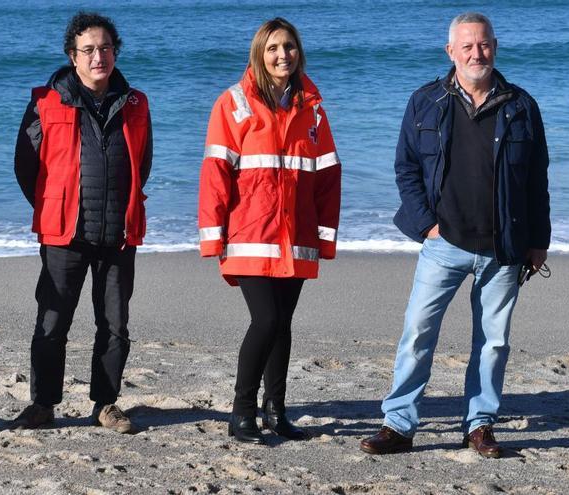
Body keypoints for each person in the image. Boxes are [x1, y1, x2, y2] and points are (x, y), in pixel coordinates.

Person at [360, 12, 550, 457]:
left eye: (483, 45)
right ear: (451, 52)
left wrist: (538, 240)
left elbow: (537, 179)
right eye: (466, 46)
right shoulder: (425, 102)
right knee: (418, 332)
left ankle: (479, 425)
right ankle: (399, 425)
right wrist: (427, 224)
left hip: (504, 245)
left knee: (494, 342)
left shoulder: (521, 106)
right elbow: (406, 168)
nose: (475, 53)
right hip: (443, 244)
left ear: (495, 47)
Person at [198, 17, 341, 444]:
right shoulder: (234, 103)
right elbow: (215, 172)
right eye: (274, 48)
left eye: (290, 47)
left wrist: (325, 236)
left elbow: (328, 174)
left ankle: (276, 411)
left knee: (283, 324)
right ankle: (241, 411)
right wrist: (213, 236)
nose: (283, 55)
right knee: (265, 320)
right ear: (260, 53)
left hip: (296, 236)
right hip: (250, 233)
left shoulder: (312, 106)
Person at [13, 11, 152, 434]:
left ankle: (106, 405)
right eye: (89, 49)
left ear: (116, 53)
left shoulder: (135, 103)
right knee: (52, 322)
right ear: (72, 55)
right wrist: (53, 205)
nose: (99, 57)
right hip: (64, 231)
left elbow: (142, 164)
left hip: (118, 232)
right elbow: (25, 167)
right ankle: (43, 404)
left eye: (106, 48)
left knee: (115, 325)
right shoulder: (45, 100)